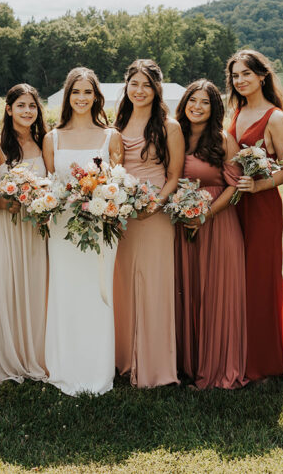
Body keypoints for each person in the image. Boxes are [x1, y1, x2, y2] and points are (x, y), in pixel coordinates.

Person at [42, 67, 124, 395]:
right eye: (75, 92)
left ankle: (97, 369)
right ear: (67, 96)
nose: (81, 98)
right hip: (62, 229)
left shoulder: (110, 137)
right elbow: (50, 181)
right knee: (66, 293)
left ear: (96, 96)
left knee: (96, 294)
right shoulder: (53, 137)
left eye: (87, 92)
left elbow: (117, 181)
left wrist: (100, 197)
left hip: (99, 225)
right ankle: (64, 368)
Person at [113, 59, 184, 388]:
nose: (139, 91)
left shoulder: (170, 127)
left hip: (155, 214)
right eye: (133, 83)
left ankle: (155, 366)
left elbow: (174, 176)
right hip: (122, 215)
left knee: (153, 285)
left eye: (146, 85)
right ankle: (124, 361)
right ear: (126, 86)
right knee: (123, 285)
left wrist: (154, 205)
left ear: (157, 89)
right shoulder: (117, 123)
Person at [173, 79, 248, 389]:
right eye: (193, 100)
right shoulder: (175, 136)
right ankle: (188, 365)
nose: (197, 107)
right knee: (188, 291)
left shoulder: (223, 140)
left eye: (205, 102)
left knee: (217, 293)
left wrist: (206, 214)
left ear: (214, 107)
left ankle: (218, 369)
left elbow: (235, 185)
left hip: (218, 222)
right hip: (183, 224)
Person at [225, 49, 283, 380]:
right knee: (238, 277)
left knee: (261, 278)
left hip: (262, 206)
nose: (240, 81)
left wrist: (262, 185)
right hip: (236, 204)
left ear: (262, 77)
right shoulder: (235, 113)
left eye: (246, 75)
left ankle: (265, 361)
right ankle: (238, 350)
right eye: (235, 76)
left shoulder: (276, 117)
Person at [0, 84, 49, 386]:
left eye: (32, 106)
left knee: (35, 290)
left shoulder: (45, 143)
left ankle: (36, 355)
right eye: (20, 106)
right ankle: (7, 361)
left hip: (35, 229)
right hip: (5, 227)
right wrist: (9, 202)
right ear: (8, 110)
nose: (27, 111)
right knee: (5, 287)